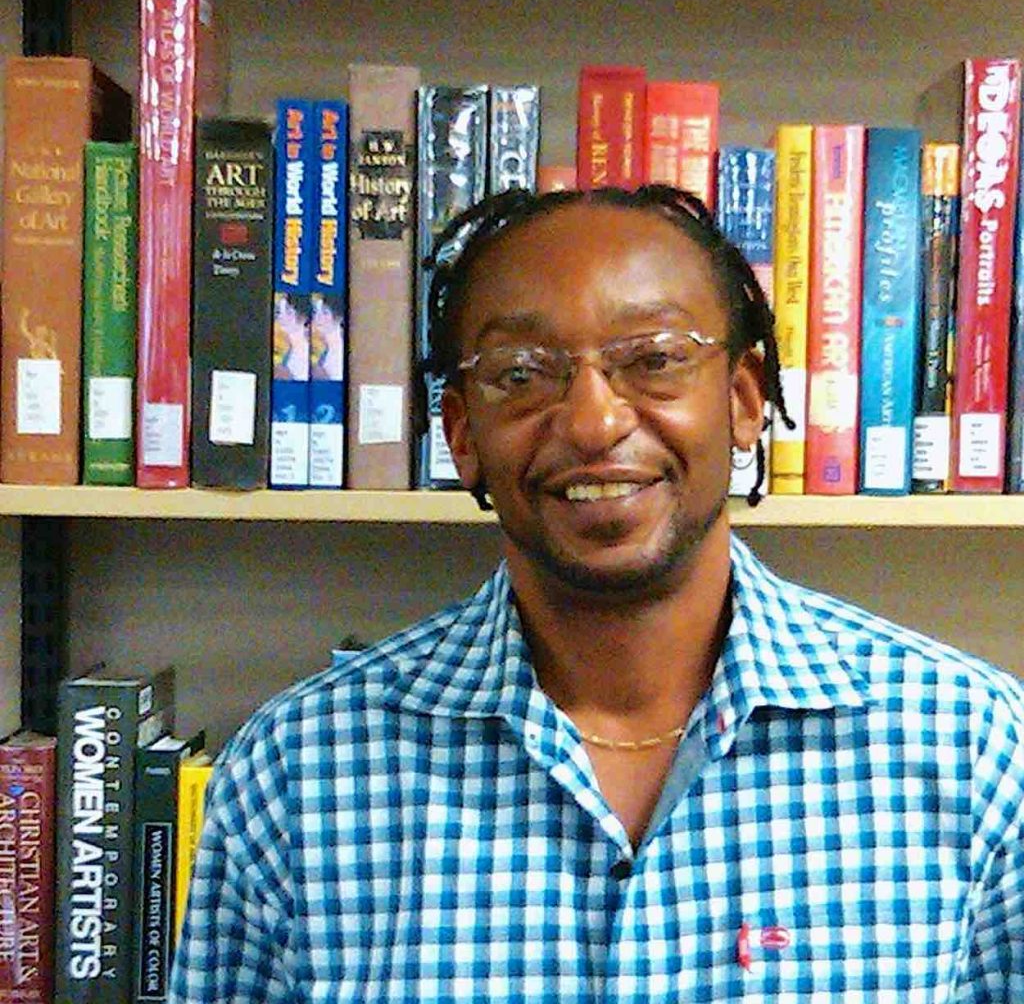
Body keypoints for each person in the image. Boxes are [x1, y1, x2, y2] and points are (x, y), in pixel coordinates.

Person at [169, 185, 1024, 1002]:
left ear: (742, 402)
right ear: (462, 436)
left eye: (654, 360)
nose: (592, 422)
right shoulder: (298, 772)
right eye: (520, 374)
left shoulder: (973, 749)